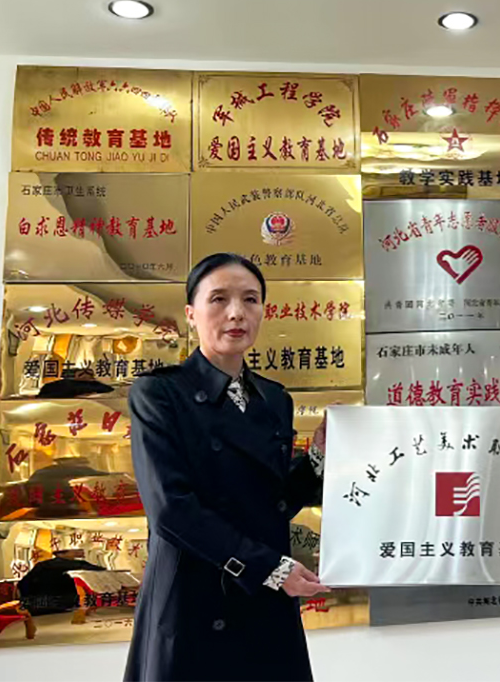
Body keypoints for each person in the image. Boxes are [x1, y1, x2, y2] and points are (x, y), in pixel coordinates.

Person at [124, 253, 330, 682]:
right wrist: (269, 567)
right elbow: (171, 509)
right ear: (191, 314)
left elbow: (273, 501)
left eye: (250, 299)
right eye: (219, 299)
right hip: (195, 597)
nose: (236, 313)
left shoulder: (275, 398)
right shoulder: (159, 393)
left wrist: (318, 457)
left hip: (264, 594)